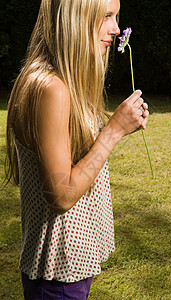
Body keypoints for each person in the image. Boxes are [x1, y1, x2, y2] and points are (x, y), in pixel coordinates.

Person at [5, 0, 149, 299]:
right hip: (59, 272)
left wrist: (118, 122)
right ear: (74, 19)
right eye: (106, 16)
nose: (116, 28)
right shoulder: (51, 89)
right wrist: (114, 131)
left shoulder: (61, 83)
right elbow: (61, 195)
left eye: (116, 16)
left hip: (69, 267)